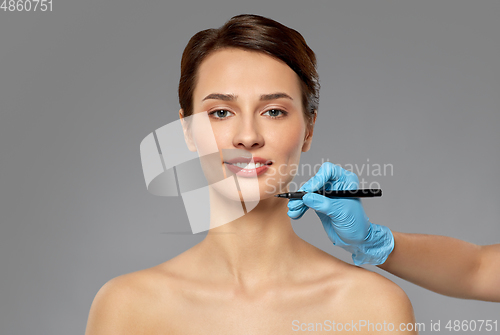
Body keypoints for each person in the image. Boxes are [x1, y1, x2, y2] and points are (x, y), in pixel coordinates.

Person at [85, 14, 417, 334]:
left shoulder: (373, 308)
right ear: (187, 130)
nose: (247, 136)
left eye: (273, 111)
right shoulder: (127, 307)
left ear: (309, 128)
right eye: (221, 112)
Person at [287, 162, 500, 302]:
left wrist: (372, 243)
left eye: (275, 112)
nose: (251, 138)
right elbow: (478, 269)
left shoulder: (375, 303)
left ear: (309, 130)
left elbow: (477, 273)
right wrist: (371, 242)